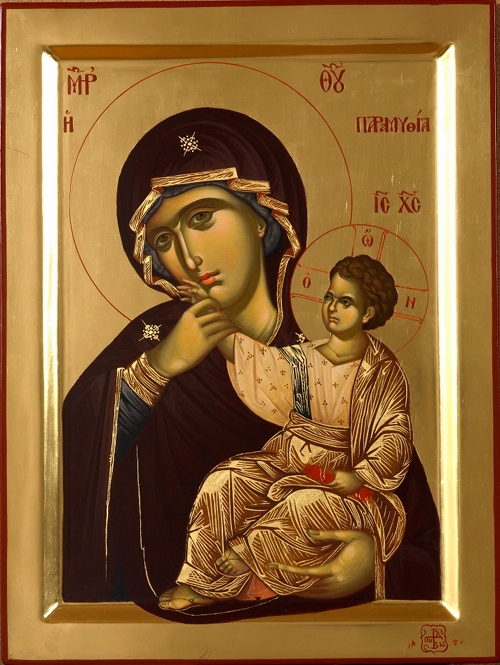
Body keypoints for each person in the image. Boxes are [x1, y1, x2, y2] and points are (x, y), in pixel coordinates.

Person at [63, 108, 440, 616]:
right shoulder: (150, 344)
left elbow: (428, 549)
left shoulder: (342, 355)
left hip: (319, 625)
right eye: (164, 240)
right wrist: (157, 369)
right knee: (228, 482)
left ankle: (249, 563)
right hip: (164, 632)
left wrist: (373, 565)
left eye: (201, 218)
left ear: (262, 217)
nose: (188, 257)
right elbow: (67, 465)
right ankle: (207, 577)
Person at [159, 255, 412, 611]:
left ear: (368, 313)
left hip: (350, 487)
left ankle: (247, 556)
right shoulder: (304, 357)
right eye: (329, 297)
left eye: (345, 302)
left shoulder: (382, 371)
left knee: (304, 504)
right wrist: (207, 307)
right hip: (288, 463)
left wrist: (359, 476)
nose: (332, 308)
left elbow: (394, 434)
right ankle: (203, 583)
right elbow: (252, 360)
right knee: (224, 481)